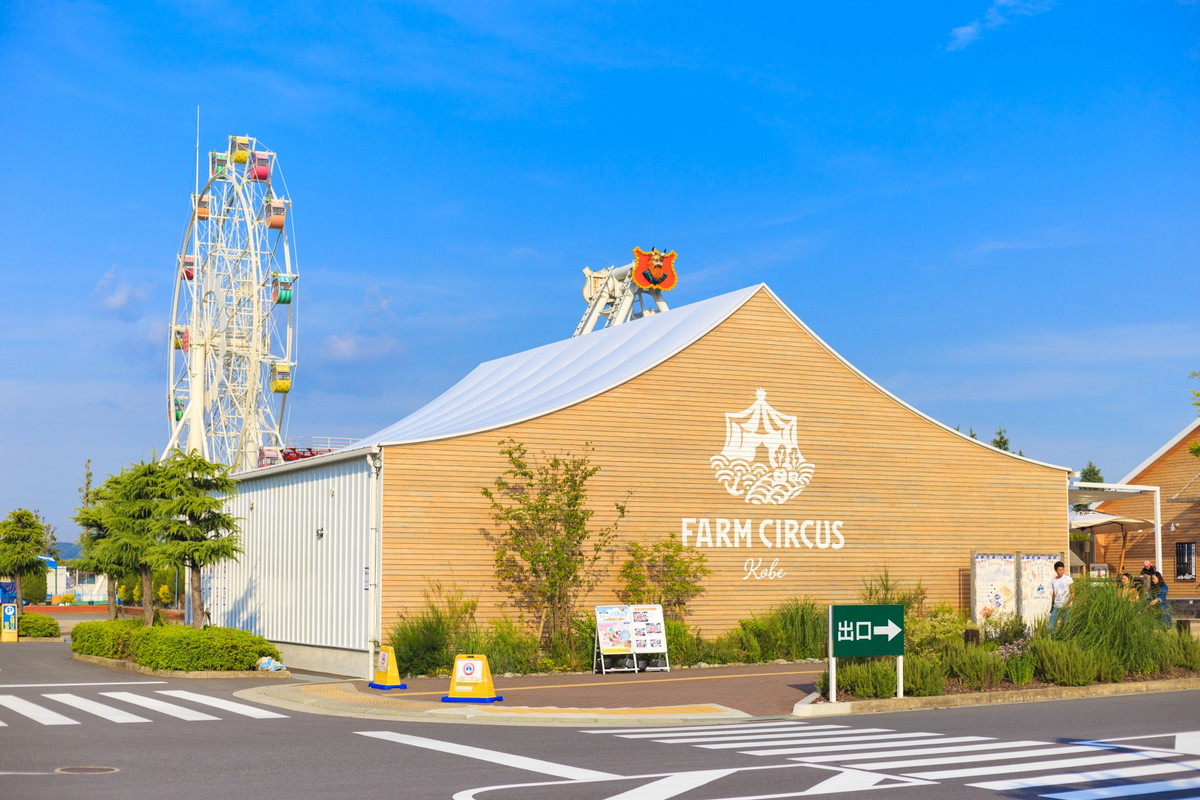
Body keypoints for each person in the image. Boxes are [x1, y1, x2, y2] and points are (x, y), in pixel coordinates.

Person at [1049, 560, 1074, 634]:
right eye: (1059, 570)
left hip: (1066, 607)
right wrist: (1052, 605)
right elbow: (1054, 593)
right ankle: (1055, 639)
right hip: (1056, 606)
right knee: (1050, 627)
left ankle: (1065, 641)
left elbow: (1073, 592)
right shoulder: (1053, 580)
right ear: (1056, 570)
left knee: (1066, 627)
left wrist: (1068, 603)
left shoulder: (1068, 579)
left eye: (1062, 569)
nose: (1061, 571)